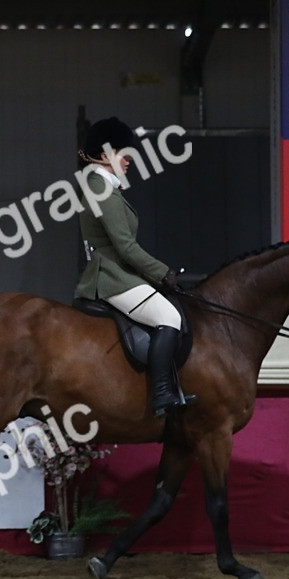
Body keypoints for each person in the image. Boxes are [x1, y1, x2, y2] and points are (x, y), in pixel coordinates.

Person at [74, 116, 195, 417]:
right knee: (169, 317)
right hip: (110, 277)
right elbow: (125, 247)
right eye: (124, 155)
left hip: (118, 272)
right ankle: (162, 394)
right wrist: (162, 273)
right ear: (104, 155)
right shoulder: (100, 187)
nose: (129, 161)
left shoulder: (103, 185)